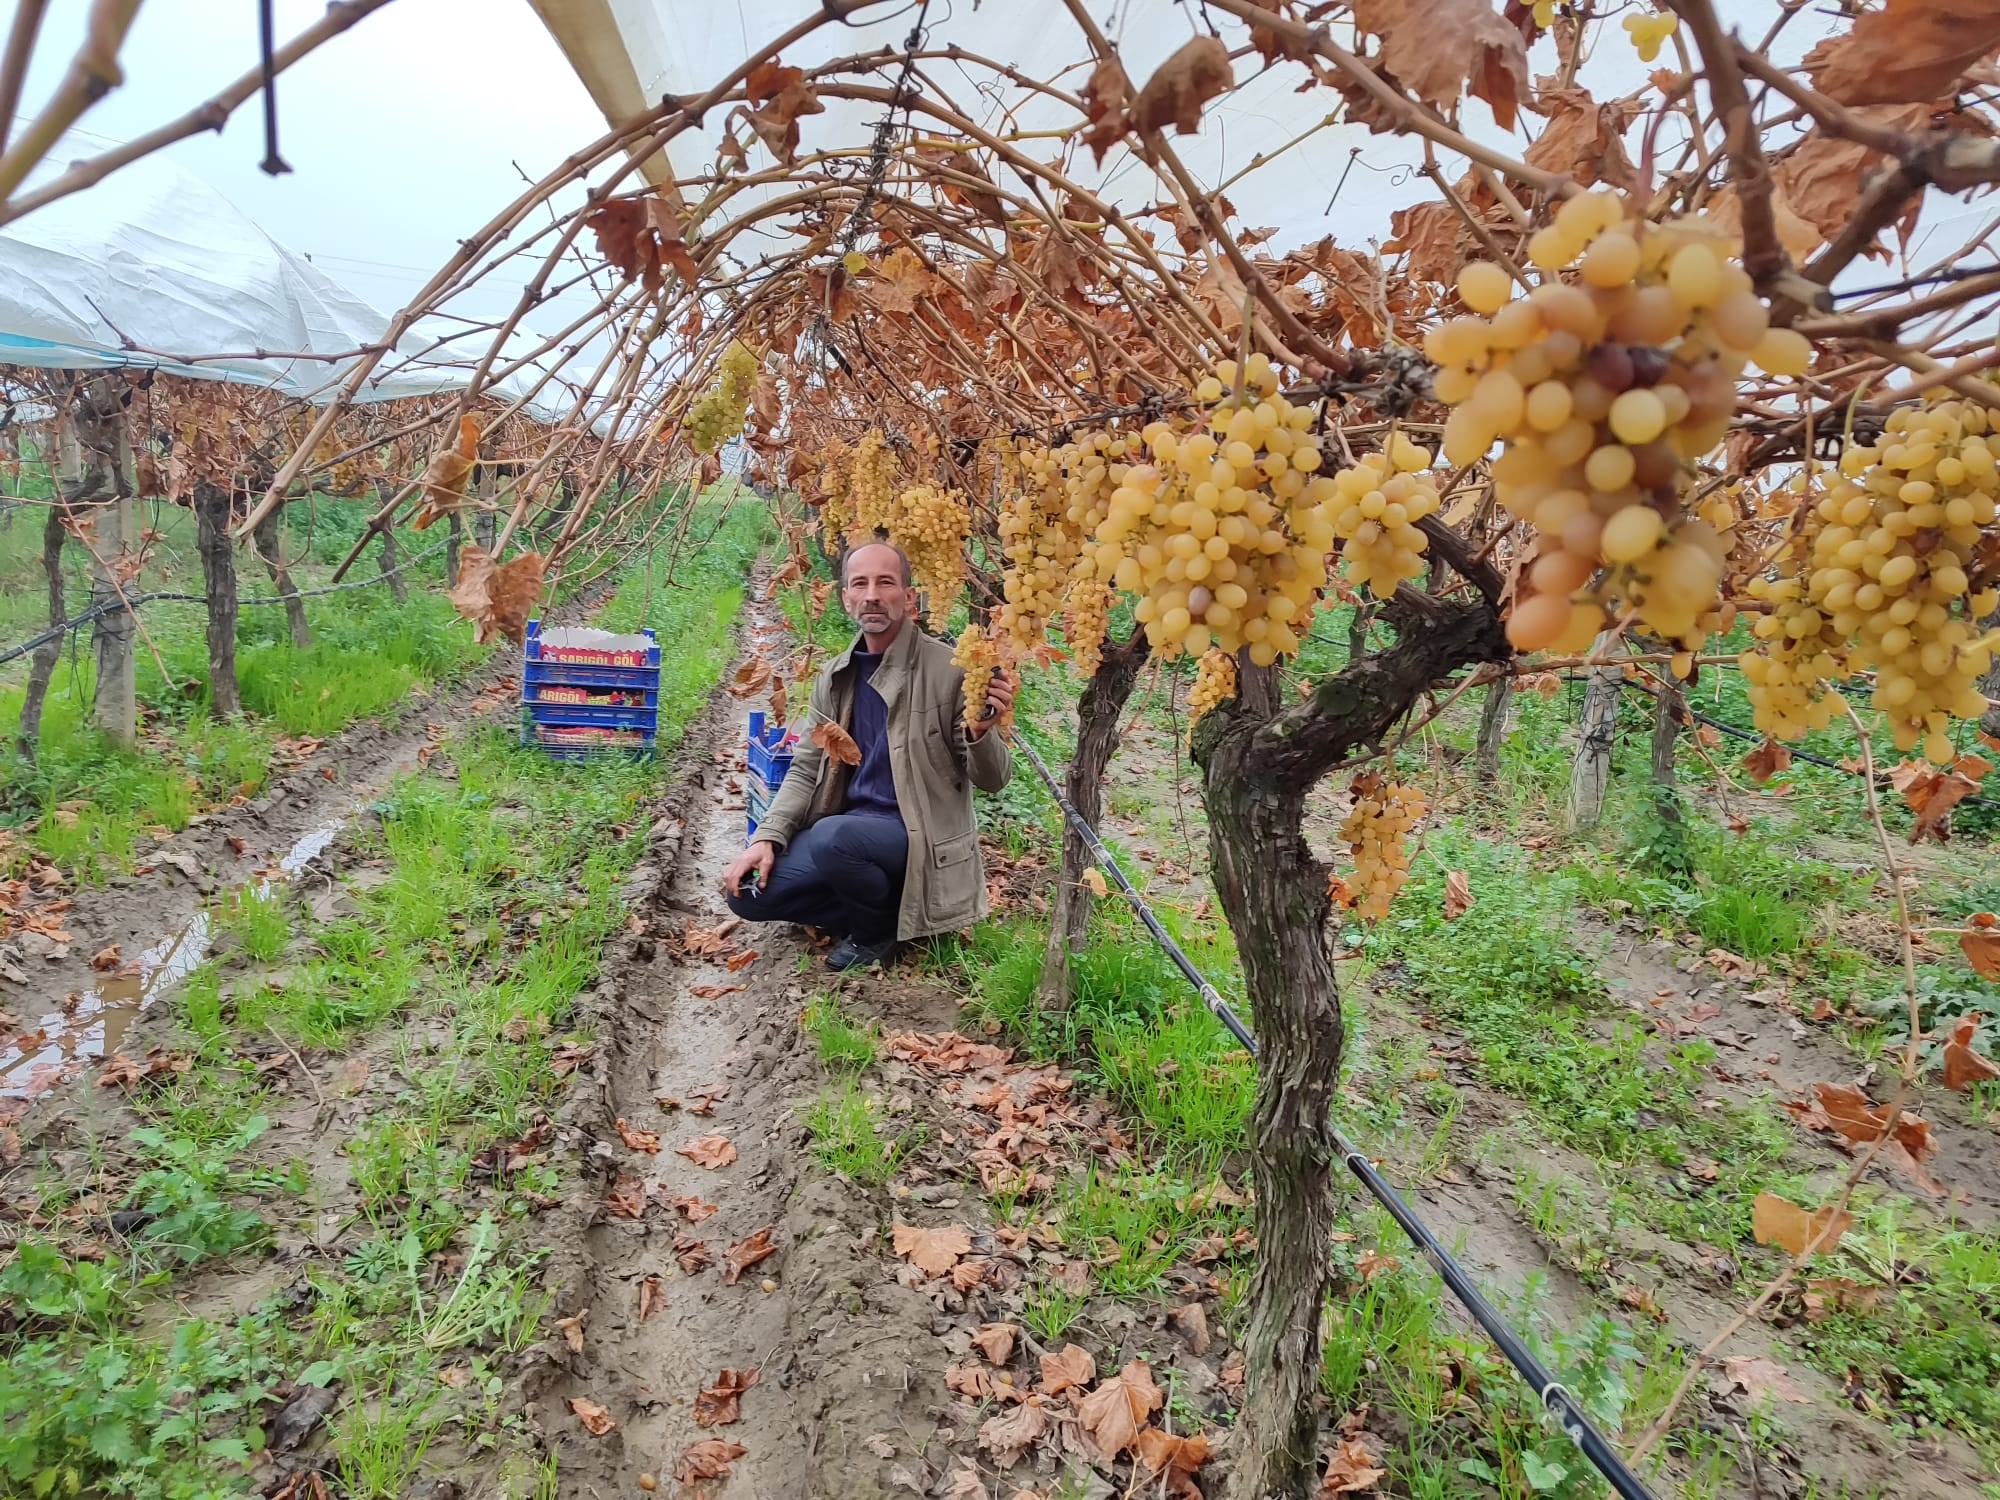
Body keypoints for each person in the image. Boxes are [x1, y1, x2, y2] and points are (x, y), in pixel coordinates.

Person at [720, 540, 1016, 970]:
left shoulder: (949, 670)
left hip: (916, 836)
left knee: (832, 838)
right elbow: (805, 769)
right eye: (860, 583)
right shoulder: (835, 676)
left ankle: (875, 935)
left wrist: (980, 732)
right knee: (745, 895)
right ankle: (898, 912)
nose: (872, 594)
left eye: (886, 583)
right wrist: (766, 837)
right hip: (852, 834)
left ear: (909, 598)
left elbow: (994, 779)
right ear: (846, 598)